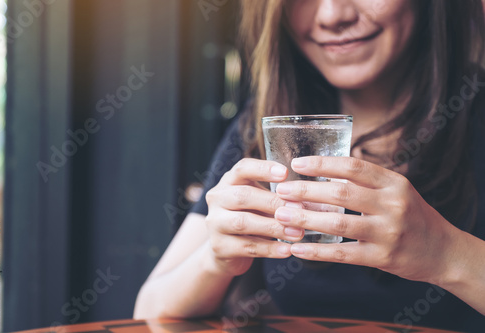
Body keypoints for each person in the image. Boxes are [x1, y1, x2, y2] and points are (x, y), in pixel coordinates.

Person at [134, 0, 485, 331]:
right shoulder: (268, 122)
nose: (332, 15)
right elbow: (149, 313)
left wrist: (445, 253)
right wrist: (216, 259)